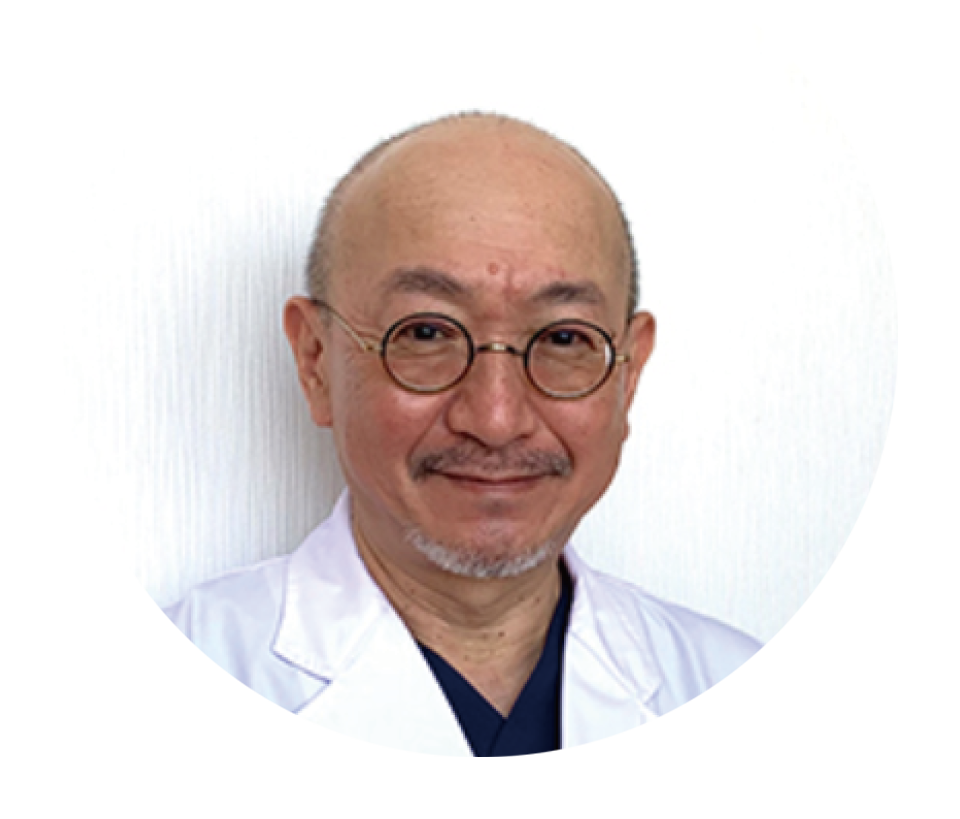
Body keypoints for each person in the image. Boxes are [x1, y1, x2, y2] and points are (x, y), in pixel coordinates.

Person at [62, 112, 830, 756]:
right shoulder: (130, 723)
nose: (496, 418)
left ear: (628, 374)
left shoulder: (764, 717)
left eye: (564, 339)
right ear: (316, 360)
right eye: (426, 332)